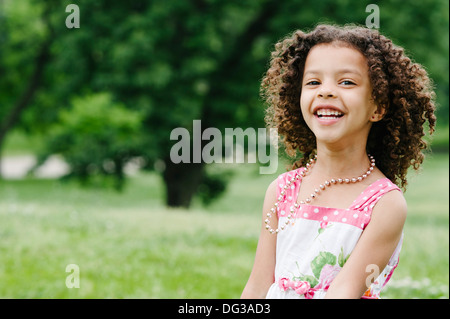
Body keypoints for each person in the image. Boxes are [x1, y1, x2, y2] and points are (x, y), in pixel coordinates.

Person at [241, 24, 436, 299]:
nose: (326, 91)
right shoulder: (282, 190)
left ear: (378, 107)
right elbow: (257, 286)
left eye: (346, 82)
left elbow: (343, 293)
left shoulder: (384, 204)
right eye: (313, 82)